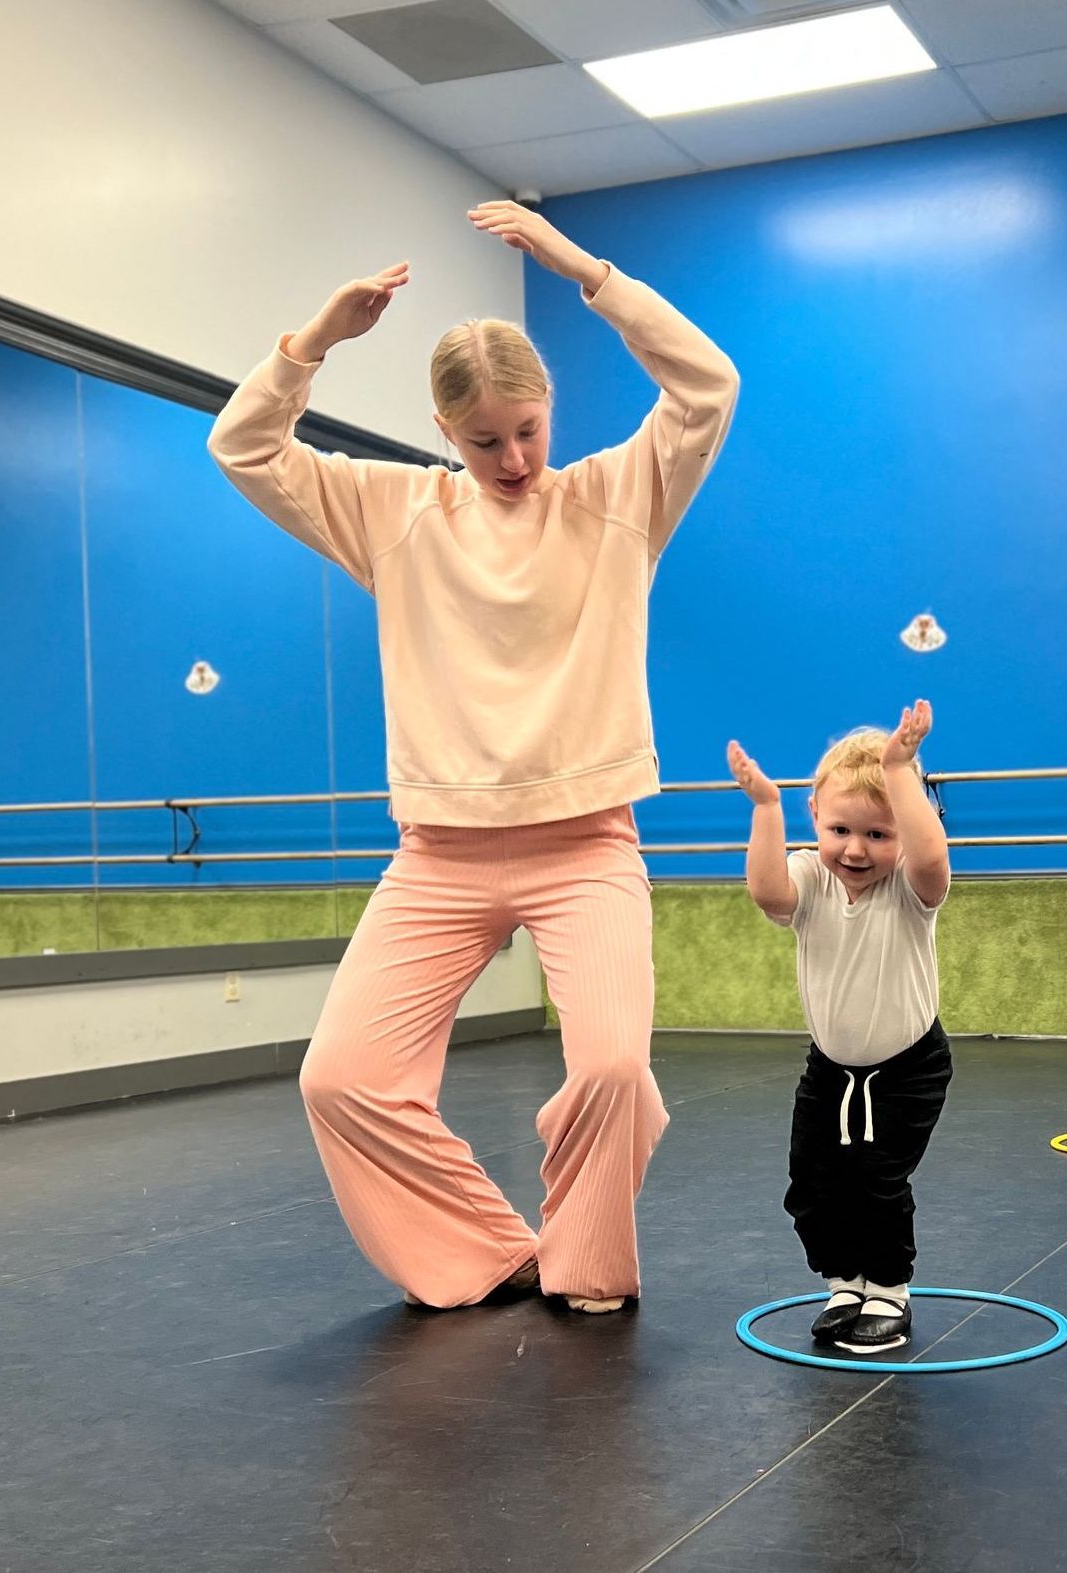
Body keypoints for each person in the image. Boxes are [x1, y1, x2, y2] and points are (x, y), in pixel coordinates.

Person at [207, 202, 738, 1313]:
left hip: (585, 842)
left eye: (527, 429)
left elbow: (705, 388)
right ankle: (495, 1250)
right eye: (484, 438)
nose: (511, 457)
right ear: (446, 431)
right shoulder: (392, 510)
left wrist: (584, 270)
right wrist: (310, 344)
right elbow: (245, 447)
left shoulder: (614, 498)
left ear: (551, 411)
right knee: (342, 1079)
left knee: (608, 1071)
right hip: (439, 855)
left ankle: (586, 1261)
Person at [728, 701, 951, 1349]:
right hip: (829, 1067)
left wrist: (899, 768)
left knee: (878, 1180)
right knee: (816, 1179)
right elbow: (768, 892)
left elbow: (931, 857)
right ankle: (844, 1282)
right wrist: (766, 808)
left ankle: (888, 1291)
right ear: (816, 823)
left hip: (908, 1067)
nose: (855, 849)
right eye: (841, 830)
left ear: (903, 836)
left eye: (878, 835)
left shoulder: (910, 889)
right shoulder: (808, 874)